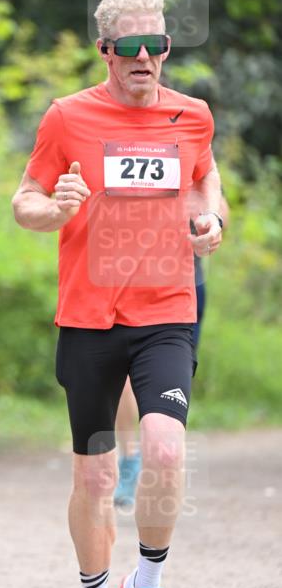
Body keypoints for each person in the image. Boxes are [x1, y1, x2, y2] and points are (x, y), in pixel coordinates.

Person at [12, 0, 223, 588]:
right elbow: (26, 200)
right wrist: (54, 207)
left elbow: (202, 178)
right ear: (104, 50)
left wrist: (208, 219)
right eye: (128, 46)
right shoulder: (68, 117)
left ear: (165, 47)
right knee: (96, 475)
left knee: (162, 451)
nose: (143, 58)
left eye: (154, 45)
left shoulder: (190, 116)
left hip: (165, 310)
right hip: (89, 315)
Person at [113, 193, 229, 507]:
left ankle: (162, 463)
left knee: (166, 383)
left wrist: (211, 220)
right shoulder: (117, 149)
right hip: (123, 284)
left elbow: (221, 210)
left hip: (181, 291)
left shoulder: (188, 150)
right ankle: (130, 460)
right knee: (120, 377)